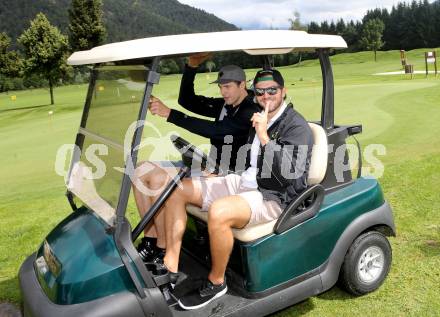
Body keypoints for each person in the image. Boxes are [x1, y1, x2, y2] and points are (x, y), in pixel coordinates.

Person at [159, 68, 314, 310]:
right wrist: (223, 173)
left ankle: (217, 282)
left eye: (272, 90)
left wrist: (264, 136)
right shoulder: (261, 117)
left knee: (219, 211)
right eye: (260, 91)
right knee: (178, 189)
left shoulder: (296, 126)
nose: (265, 96)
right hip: (244, 181)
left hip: (273, 196)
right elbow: (248, 160)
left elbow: (288, 174)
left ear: (283, 91)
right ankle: (170, 266)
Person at [133, 53, 260, 265]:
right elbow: (187, 100)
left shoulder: (250, 110)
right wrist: (191, 67)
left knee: (157, 181)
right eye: (221, 87)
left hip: (228, 173)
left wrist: (170, 114)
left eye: (228, 86)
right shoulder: (225, 104)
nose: (223, 92)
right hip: (208, 165)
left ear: (242, 84)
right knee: (140, 171)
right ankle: (150, 239)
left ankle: (162, 248)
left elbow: (217, 131)